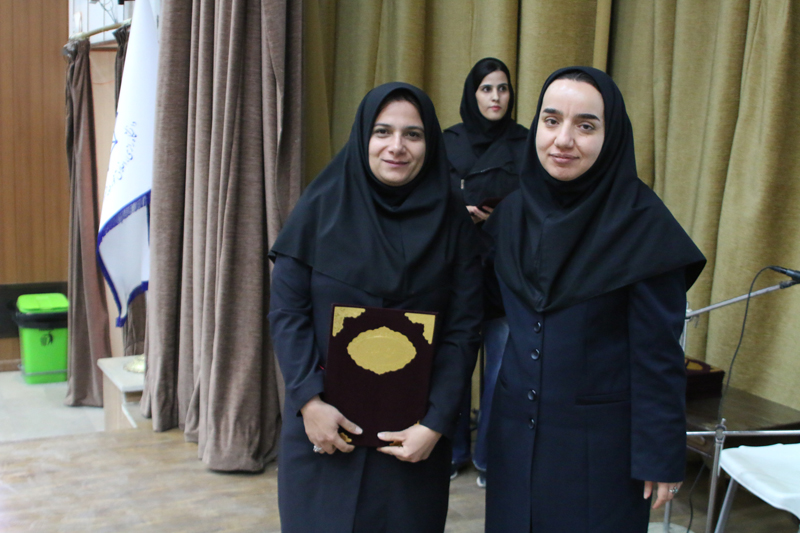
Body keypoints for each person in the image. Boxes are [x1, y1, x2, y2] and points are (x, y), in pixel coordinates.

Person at [483, 66, 706, 532]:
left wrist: (660, 453)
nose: (563, 139)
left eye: (585, 126)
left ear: (611, 136)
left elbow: (658, 355)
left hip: (600, 455)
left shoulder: (643, 226)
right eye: (551, 121)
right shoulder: (510, 216)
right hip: (514, 441)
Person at [268, 82, 483, 533]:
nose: (396, 146)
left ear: (430, 142)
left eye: (413, 134)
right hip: (323, 430)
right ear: (363, 135)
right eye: (382, 132)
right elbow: (287, 313)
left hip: (411, 440)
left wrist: (435, 423)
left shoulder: (452, 222)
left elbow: (463, 329)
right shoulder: (319, 207)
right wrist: (308, 401)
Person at [443, 57, 528, 487]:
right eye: (486, 88)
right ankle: (452, 451)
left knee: (499, 372)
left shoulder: (526, 141)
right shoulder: (448, 140)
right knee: (454, 364)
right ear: (472, 94)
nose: (496, 97)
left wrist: (501, 216)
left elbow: (537, 203)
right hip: (456, 268)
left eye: (503, 88)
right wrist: (461, 209)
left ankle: (488, 457)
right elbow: (430, 197)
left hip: (505, 269)